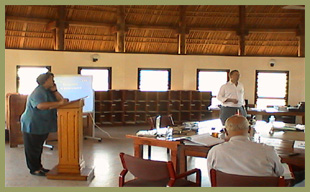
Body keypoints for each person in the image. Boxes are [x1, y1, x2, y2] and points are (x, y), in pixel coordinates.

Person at [21, 72, 68, 176]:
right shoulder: (38, 92)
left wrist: (55, 90)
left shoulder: (48, 91)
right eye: (51, 79)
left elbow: (62, 100)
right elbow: (40, 106)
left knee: (38, 147)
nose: (53, 80)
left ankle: (39, 167)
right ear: (45, 81)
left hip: (42, 124)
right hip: (32, 123)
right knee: (32, 148)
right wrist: (59, 103)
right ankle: (34, 169)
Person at [207, 115, 284, 177]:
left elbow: (212, 177)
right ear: (249, 130)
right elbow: (280, 172)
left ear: (225, 131)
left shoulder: (215, 151)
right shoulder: (267, 150)